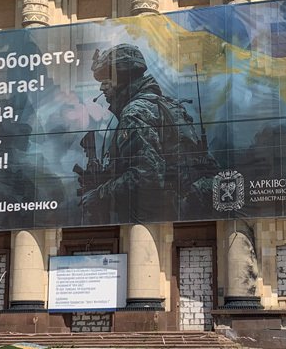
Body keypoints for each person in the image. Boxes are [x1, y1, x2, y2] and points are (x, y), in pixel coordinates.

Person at [76, 44, 214, 225]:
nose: (102, 88)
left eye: (107, 79)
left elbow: (146, 175)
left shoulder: (135, 112)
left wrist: (100, 195)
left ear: (123, 77)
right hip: (184, 212)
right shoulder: (168, 105)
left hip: (156, 219)